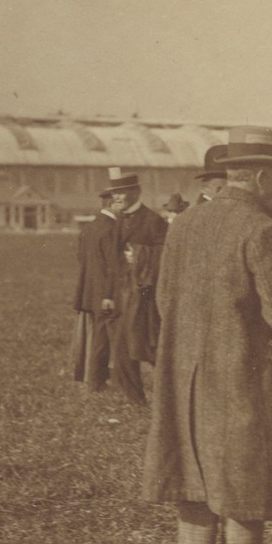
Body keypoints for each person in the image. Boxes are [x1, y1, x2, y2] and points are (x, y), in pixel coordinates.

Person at [142, 128, 272, 544]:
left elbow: (164, 301)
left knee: (194, 475)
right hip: (242, 373)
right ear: (263, 177)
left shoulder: (183, 224)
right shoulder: (262, 229)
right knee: (244, 479)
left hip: (184, 374)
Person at [106, 168, 167, 404]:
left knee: (149, 349)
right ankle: (136, 401)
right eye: (114, 193)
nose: (117, 197)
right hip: (123, 294)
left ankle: (171, 396)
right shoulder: (118, 219)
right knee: (123, 350)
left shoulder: (153, 220)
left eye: (121, 192)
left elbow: (167, 253)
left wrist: (141, 256)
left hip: (145, 296)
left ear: (135, 192)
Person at [70, 190, 122, 393]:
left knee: (92, 336)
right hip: (105, 292)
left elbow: (81, 258)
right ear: (111, 204)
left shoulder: (89, 228)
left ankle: (91, 377)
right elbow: (113, 265)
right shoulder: (112, 229)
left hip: (88, 289)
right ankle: (97, 380)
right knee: (104, 338)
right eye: (119, 203)